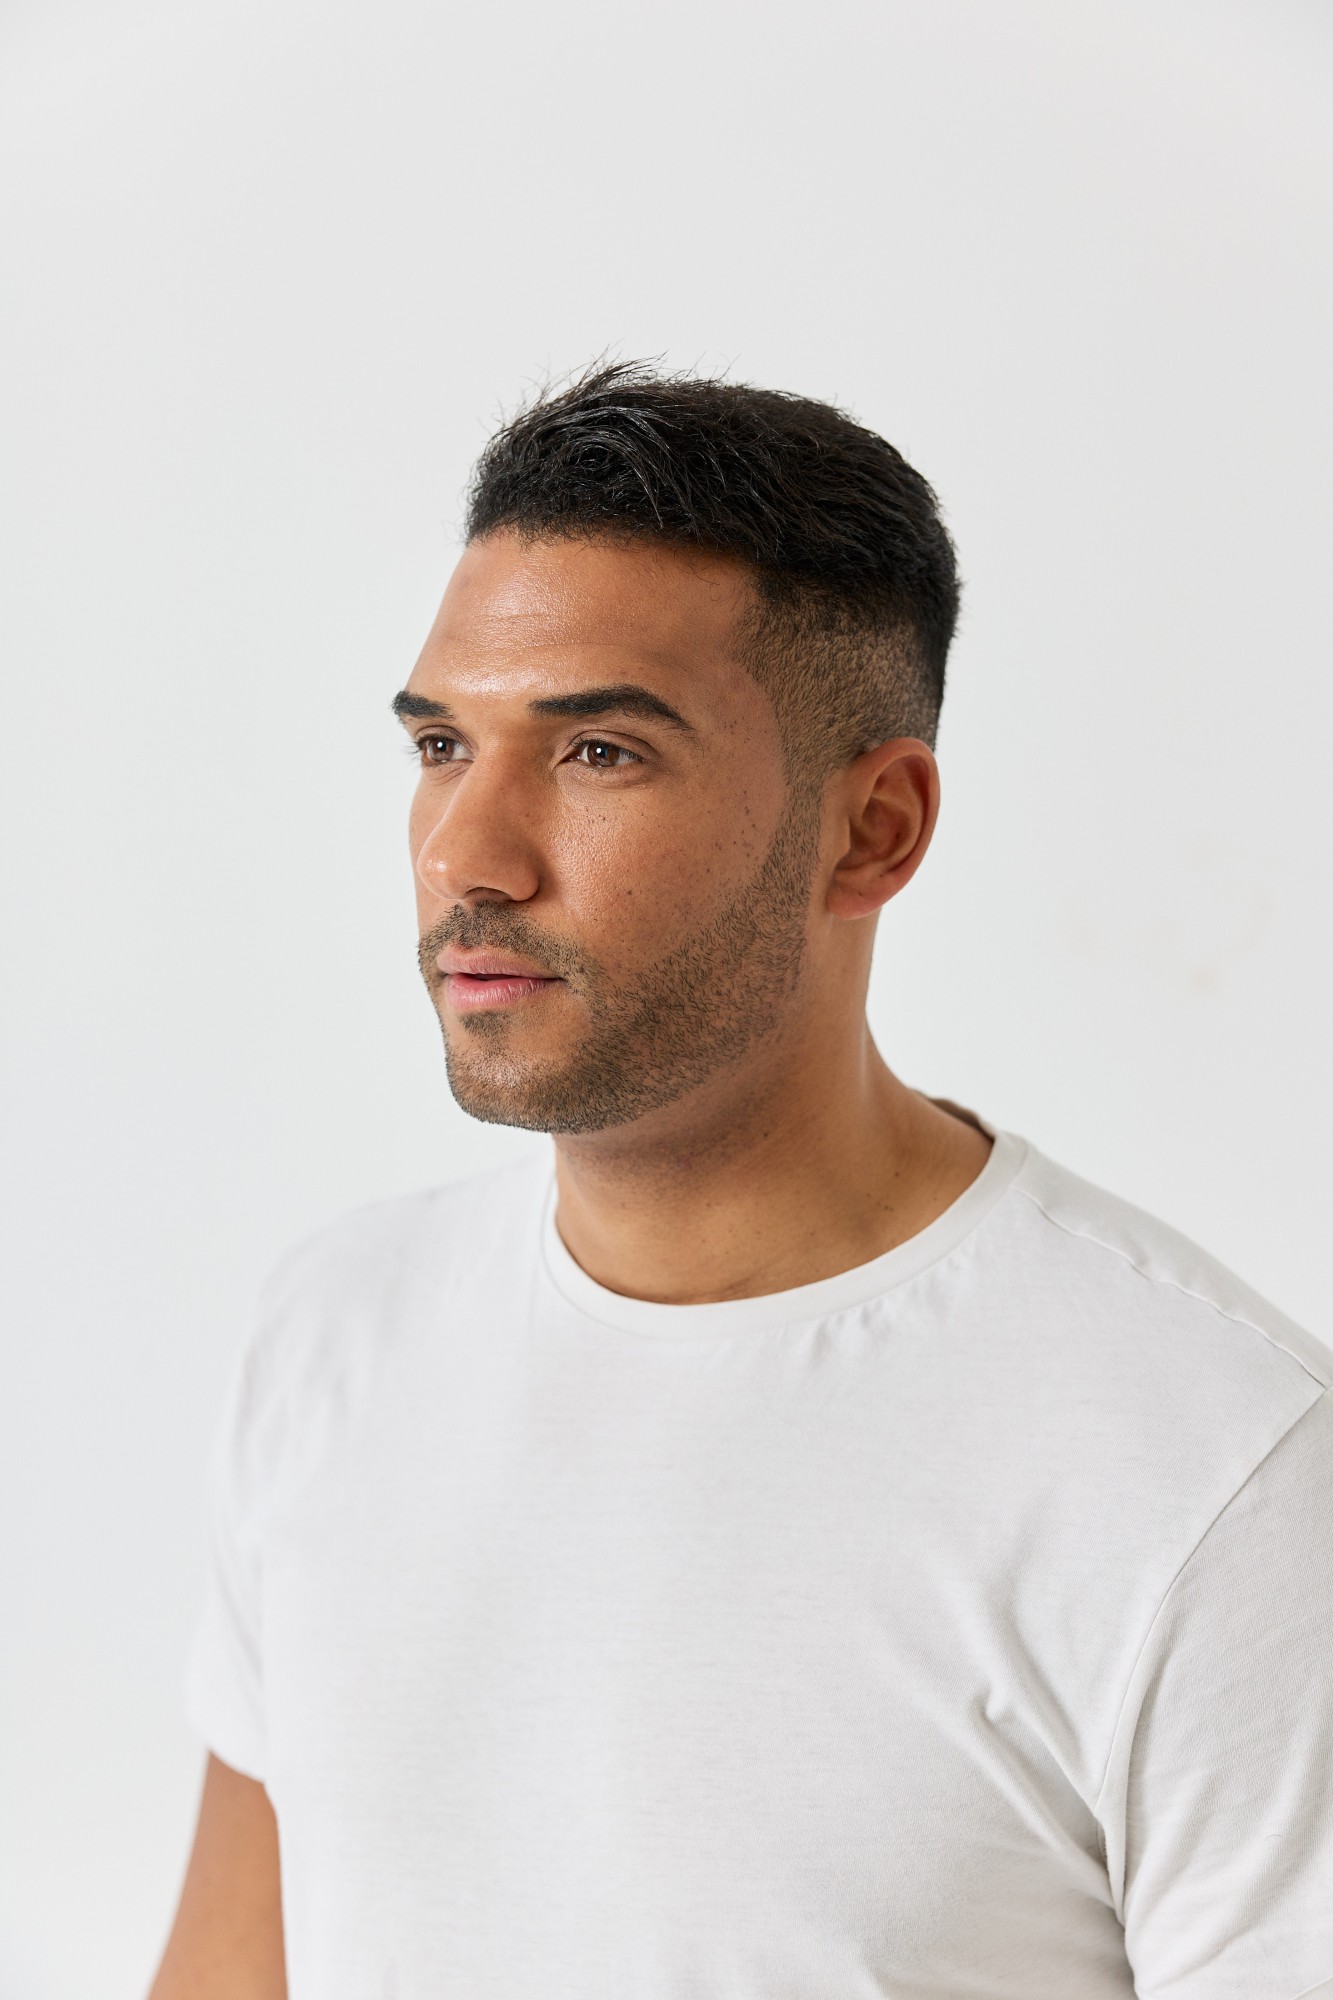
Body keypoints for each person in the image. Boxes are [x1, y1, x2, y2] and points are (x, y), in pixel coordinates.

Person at [149, 363, 1333, 2000]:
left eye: (598, 753)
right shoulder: (336, 1333)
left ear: (873, 830)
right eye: (440, 743)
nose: (465, 855)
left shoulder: (1216, 1473)